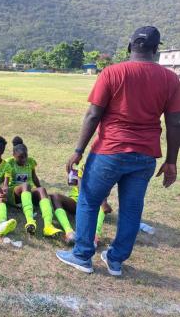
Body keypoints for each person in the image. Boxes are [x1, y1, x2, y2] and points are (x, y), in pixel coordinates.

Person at [56, 26, 180, 276]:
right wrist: (171, 161)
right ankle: (115, 260)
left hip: (109, 151)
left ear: (129, 46)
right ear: (156, 50)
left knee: (89, 201)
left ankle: (81, 256)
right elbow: (175, 122)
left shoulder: (112, 72)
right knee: (132, 209)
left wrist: (78, 150)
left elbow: (93, 114)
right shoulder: (171, 79)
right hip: (145, 155)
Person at [5, 137, 63, 238]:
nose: (24, 159)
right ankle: (30, 221)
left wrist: (41, 192)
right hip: (14, 193)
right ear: (13, 155)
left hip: (27, 192)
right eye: (20, 157)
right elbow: (3, 179)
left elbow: (34, 177)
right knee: (25, 185)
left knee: (42, 190)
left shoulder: (31, 162)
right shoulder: (9, 162)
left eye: (25, 156)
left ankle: (48, 226)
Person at [49, 163, 108, 246]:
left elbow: (104, 195)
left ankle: (95, 235)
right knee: (55, 196)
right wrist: (72, 175)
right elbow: (79, 190)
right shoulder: (82, 168)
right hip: (75, 202)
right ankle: (69, 232)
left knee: (102, 201)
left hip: (92, 205)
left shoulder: (103, 172)